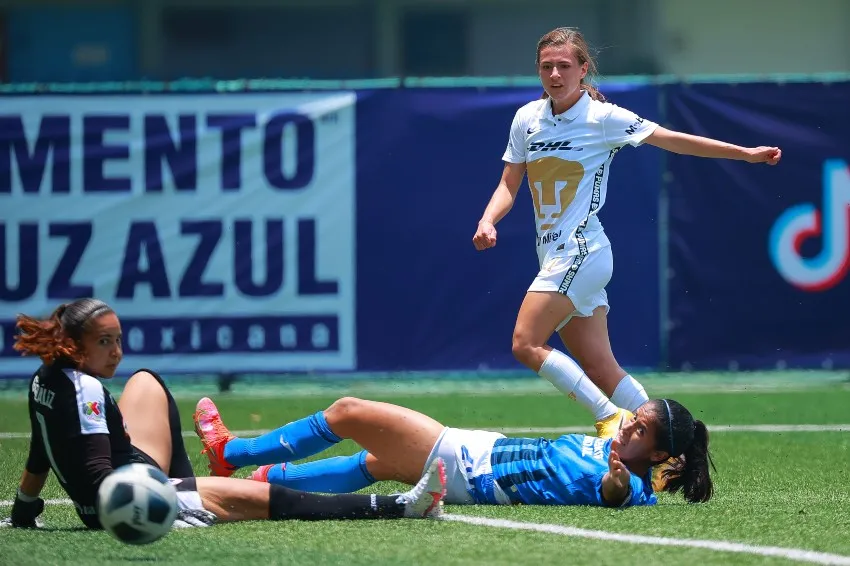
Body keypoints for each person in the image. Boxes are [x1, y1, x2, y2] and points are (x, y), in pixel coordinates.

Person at [470, 27, 782, 432]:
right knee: (602, 368)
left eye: (565, 66)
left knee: (525, 343)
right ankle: (672, 443)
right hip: (554, 255)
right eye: (547, 67)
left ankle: (608, 419)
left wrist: (744, 154)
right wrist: (487, 220)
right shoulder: (526, 118)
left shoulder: (603, 118)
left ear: (583, 69)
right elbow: (508, 184)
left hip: (581, 251)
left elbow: (674, 141)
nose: (555, 75)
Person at [0, 298, 446, 530]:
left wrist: (24, 510)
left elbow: (41, 449)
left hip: (129, 474)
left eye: (118, 339)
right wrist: (160, 507)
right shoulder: (88, 390)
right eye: (105, 342)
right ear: (74, 345)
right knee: (276, 504)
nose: (117, 351)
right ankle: (403, 506)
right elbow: (99, 478)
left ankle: (209, 478)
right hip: (129, 501)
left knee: (145, 381)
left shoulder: (44, 378)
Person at [192, 382, 715, 507]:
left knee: (348, 413)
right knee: (369, 464)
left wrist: (618, 481)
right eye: (634, 420)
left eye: (639, 430)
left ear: (662, 455)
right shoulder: (618, 443)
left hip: (464, 465)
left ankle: (230, 452)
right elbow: (609, 425)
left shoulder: (631, 486)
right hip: (478, 454)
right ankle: (255, 483)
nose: (628, 428)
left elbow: (614, 492)